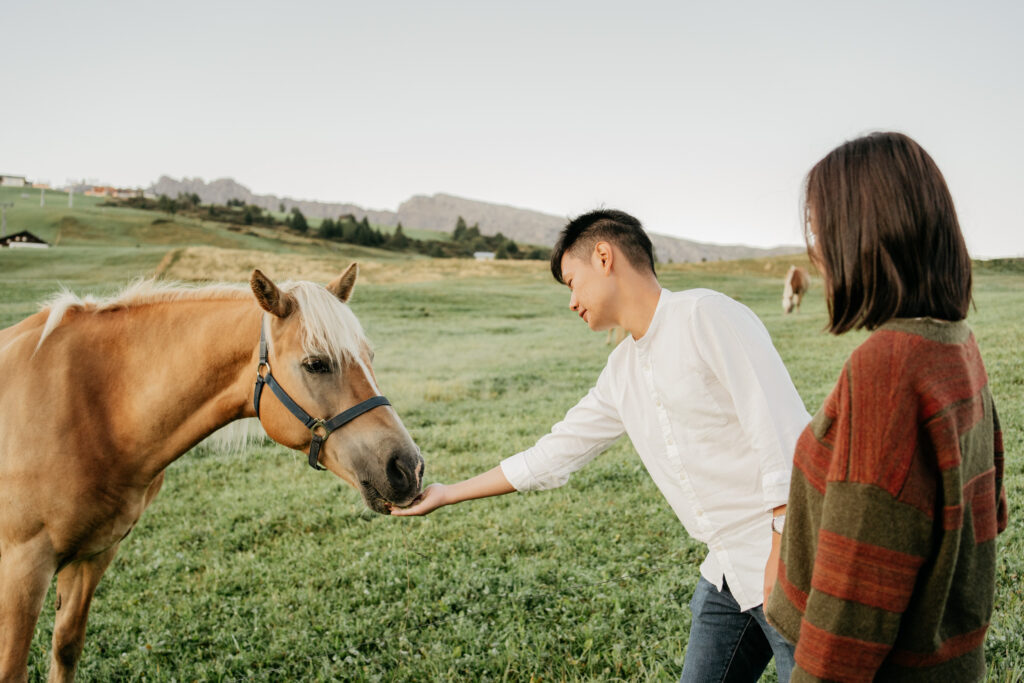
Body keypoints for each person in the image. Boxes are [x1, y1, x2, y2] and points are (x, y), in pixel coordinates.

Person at [393, 209, 811, 682]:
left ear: (605, 256)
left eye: (572, 282)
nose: (572, 301)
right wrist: (449, 493)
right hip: (727, 573)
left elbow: (784, 435)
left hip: (789, 562)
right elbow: (554, 454)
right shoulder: (621, 372)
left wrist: (780, 557)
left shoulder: (705, 316)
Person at [764, 132, 1008, 681]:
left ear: (864, 233)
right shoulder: (955, 343)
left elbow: (850, 610)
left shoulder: (888, 368)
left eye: (821, 226)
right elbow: (988, 513)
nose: (816, 249)